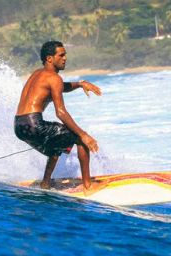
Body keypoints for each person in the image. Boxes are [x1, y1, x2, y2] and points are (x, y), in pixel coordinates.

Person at [14, 40, 107, 195]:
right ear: (50, 58)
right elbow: (61, 112)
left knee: (56, 142)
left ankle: (45, 183)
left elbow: (61, 87)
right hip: (34, 123)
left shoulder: (37, 74)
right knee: (79, 138)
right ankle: (88, 186)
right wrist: (84, 135)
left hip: (19, 126)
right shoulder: (53, 78)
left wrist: (80, 84)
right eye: (61, 55)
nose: (65, 58)